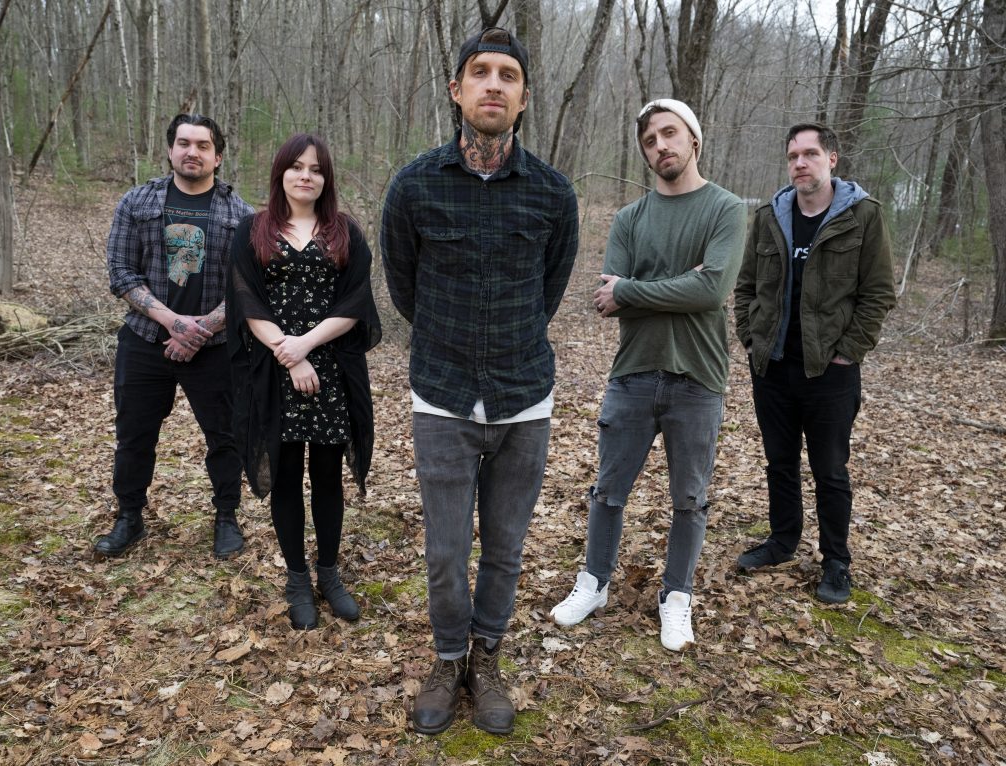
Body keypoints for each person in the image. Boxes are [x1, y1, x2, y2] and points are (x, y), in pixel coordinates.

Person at [380, 27, 579, 736]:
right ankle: (447, 659)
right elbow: (405, 289)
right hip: (442, 394)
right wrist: (453, 343)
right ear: (456, 89)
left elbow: (549, 290)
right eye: (480, 72)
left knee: (505, 547)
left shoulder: (552, 194)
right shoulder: (414, 186)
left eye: (508, 75)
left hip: (524, 396)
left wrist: (507, 343)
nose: (494, 84)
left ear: (523, 98)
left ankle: (486, 658)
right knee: (444, 551)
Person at [549, 100, 746, 652]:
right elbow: (605, 300)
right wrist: (682, 286)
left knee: (690, 498)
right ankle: (594, 583)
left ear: (693, 140)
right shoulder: (629, 219)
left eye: (669, 134)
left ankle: (676, 596)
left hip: (698, 377)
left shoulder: (726, 209)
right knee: (608, 491)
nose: (661, 146)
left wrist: (634, 290)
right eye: (650, 141)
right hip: (632, 373)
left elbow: (711, 290)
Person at [733, 123, 896, 603]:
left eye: (810, 154)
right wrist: (750, 339)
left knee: (830, 470)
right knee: (780, 463)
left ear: (832, 159)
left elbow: (878, 292)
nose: (800, 163)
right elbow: (745, 287)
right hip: (773, 367)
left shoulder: (862, 216)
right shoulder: (770, 216)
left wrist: (849, 351)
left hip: (830, 371)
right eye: (793, 156)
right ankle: (782, 541)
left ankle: (836, 561)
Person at [227, 134, 380, 629]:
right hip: (274, 374)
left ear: (326, 178)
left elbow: (355, 302)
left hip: (332, 371)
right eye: (296, 166)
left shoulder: (345, 233)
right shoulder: (253, 231)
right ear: (281, 173)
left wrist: (307, 346)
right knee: (287, 475)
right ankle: (297, 580)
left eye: (315, 169)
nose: (306, 176)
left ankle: (329, 575)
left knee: (328, 477)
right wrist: (289, 356)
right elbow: (247, 300)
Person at [99, 113, 253, 559]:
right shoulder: (137, 202)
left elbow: (248, 287)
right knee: (134, 434)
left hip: (217, 347)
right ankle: (129, 516)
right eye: (184, 143)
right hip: (145, 340)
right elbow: (121, 272)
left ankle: (226, 517)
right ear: (170, 150)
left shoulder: (242, 215)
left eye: (203, 145)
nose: (192, 152)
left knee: (225, 436)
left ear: (217, 157)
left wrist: (201, 329)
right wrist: (172, 322)